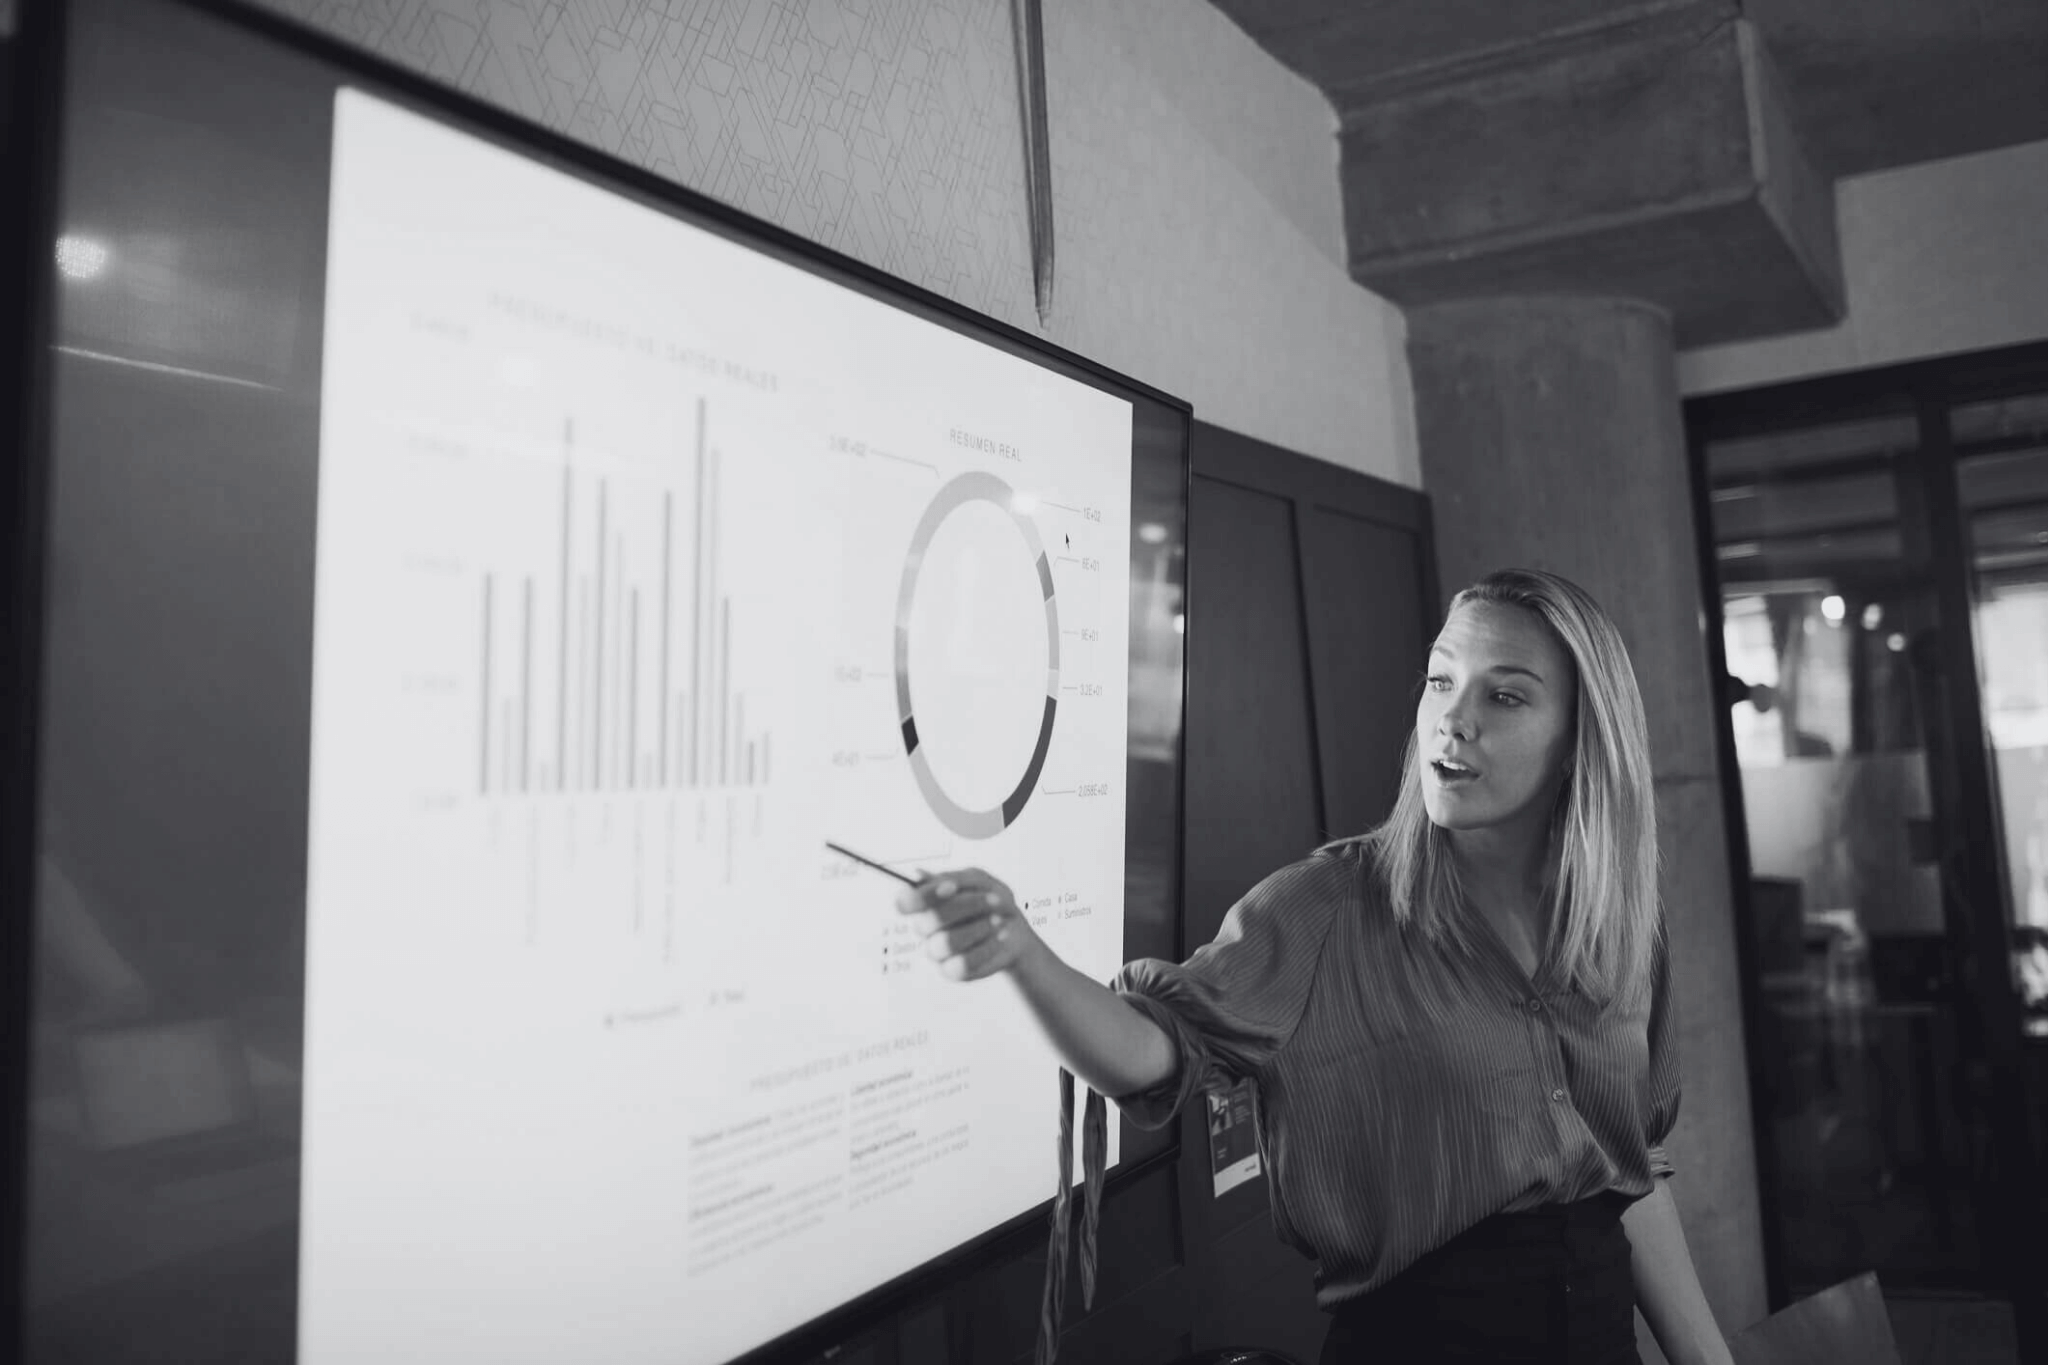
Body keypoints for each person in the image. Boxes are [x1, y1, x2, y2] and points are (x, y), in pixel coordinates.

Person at [895, 568, 1736, 1365]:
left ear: (1582, 739)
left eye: (1504, 695)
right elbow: (1150, 1051)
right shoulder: (1327, 906)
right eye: (1440, 681)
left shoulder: (1622, 918)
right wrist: (1022, 955)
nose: (1453, 719)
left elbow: (1633, 1173)